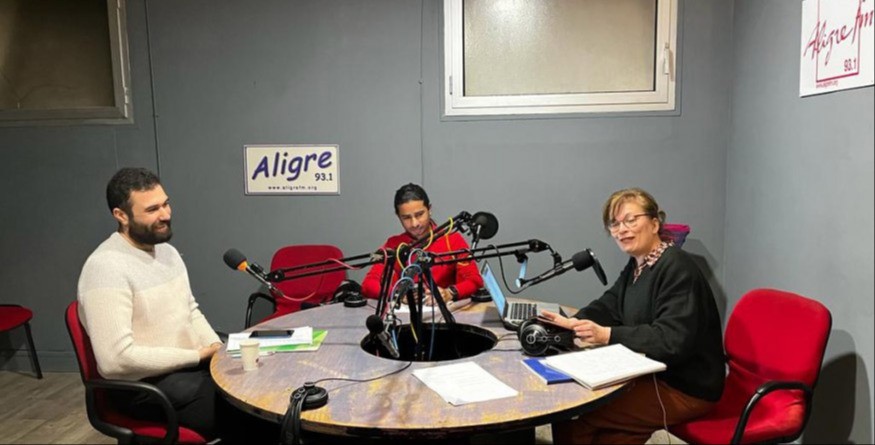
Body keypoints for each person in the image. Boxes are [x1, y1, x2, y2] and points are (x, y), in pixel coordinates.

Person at [540, 187, 725, 444]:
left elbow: (670, 340)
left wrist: (607, 335)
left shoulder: (677, 268)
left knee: (580, 412)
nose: (622, 230)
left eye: (630, 220)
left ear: (654, 224)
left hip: (686, 386)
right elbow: (610, 303)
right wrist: (577, 321)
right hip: (653, 374)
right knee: (615, 435)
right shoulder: (639, 263)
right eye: (614, 224)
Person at [77, 167, 223, 439]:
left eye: (166, 204)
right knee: (249, 416)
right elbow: (115, 361)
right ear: (121, 216)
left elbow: (190, 310)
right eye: (152, 209)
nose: (165, 214)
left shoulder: (167, 253)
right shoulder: (105, 268)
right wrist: (199, 355)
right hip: (145, 389)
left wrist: (217, 349)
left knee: (252, 387)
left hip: (186, 370)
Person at [361, 183, 484, 306]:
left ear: (429, 209)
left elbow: (475, 281)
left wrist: (449, 293)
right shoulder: (394, 244)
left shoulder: (452, 240)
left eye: (419, 214)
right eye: (406, 218)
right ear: (398, 216)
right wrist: (397, 294)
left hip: (443, 313)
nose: (414, 223)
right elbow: (368, 285)